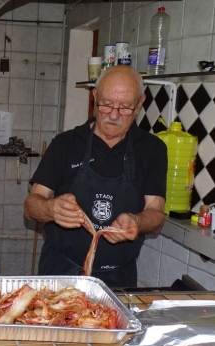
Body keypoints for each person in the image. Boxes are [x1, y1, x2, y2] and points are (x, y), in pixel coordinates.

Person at [24, 65, 167, 288]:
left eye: (125, 107)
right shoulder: (65, 144)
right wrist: (52, 208)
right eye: (107, 104)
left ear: (140, 104)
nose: (113, 115)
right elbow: (31, 206)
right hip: (59, 274)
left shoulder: (152, 150)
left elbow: (156, 215)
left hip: (119, 280)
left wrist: (137, 222)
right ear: (94, 97)